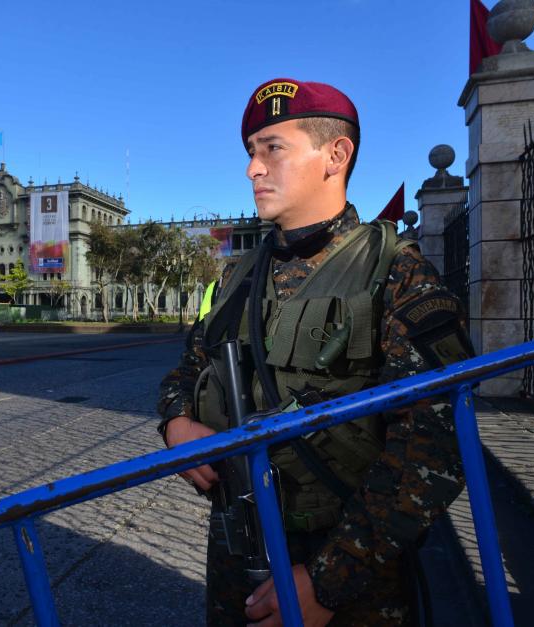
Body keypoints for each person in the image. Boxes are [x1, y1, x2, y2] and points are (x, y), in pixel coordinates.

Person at [157, 78, 473, 626]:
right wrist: (177, 426)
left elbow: (434, 446)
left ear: (336, 154)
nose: (253, 169)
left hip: (351, 575)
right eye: (251, 154)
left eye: (272, 148)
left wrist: (328, 581)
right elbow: (186, 371)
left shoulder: (396, 270)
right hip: (239, 549)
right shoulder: (238, 278)